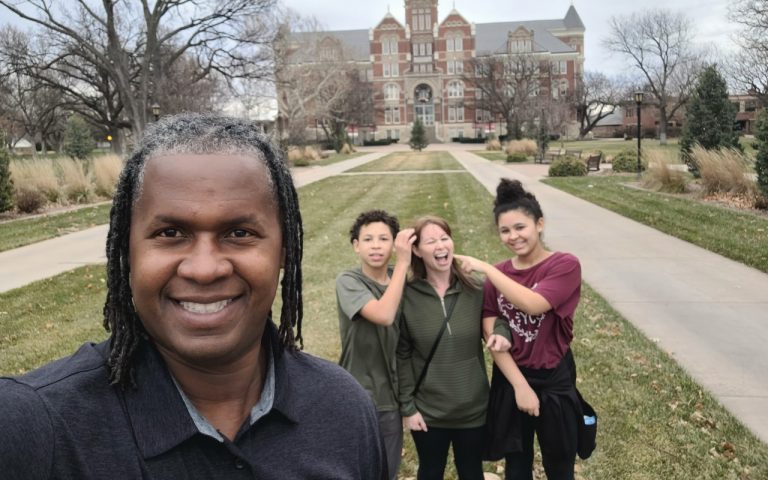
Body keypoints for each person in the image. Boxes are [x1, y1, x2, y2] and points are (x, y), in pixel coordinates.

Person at [0, 113, 386, 480]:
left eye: (239, 233)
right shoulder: (32, 429)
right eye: (170, 233)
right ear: (127, 251)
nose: (204, 269)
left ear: (284, 249)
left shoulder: (343, 410)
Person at [456, 178, 586, 480]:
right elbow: (490, 333)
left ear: (539, 224)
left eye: (520, 227)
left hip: (554, 376)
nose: (513, 236)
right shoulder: (500, 274)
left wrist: (487, 269)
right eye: (505, 230)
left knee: (560, 464)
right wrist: (520, 386)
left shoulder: (564, 265)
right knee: (516, 465)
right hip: (511, 374)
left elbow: (534, 304)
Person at [397, 215, 503, 480]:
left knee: (471, 472)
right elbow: (402, 354)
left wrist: (502, 333)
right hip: (429, 411)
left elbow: (498, 319)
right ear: (417, 251)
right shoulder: (407, 295)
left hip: (473, 408)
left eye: (444, 238)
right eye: (430, 241)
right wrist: (408, 407)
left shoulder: (476, 287)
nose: (440, 245)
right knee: (430, 471)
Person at [336, 210, 416, 480]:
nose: (376, 245)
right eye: (368, 239)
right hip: (357, 393)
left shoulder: (401, 278)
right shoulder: (349, 281)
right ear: (356, 246)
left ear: (394, 244)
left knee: (386, 471)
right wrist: (403, 264)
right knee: (354, 470)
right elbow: (383, 314)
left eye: (384, 239)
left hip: (391, 397)